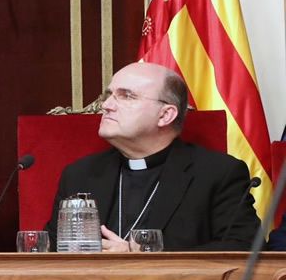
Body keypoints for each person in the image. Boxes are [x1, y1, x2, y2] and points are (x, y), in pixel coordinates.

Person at [45, 62, 260, 251]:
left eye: (126, 96)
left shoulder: (217, 173)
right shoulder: (80, 174)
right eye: (109, 95)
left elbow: (244, 246)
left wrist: (143, 254)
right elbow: (53, 248)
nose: (106, 105)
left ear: (165, 115)